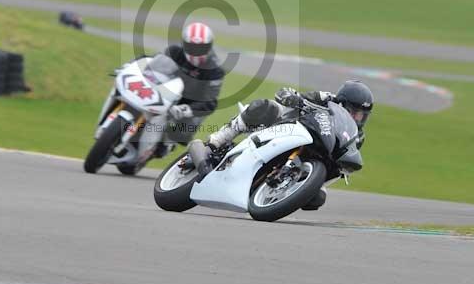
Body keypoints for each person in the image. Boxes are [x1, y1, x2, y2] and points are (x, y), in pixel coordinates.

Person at [187, 81, 374, 209]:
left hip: (313, 159)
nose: (357, 118)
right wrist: (293, 98)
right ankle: (214, 142)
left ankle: (281, 190)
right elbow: (292, 95)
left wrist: (318, 185)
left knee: (318, 199)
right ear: (341, 103)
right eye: (354, 112)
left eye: (362, 115)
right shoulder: (326, 98)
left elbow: (342, 167)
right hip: (285, 129)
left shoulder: (357, 137)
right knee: (264, 107)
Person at [155, 22, 225, 157]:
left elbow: (210, 102)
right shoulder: (174, 52)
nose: (196, 52)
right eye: (191, 47)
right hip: (167, 92)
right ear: (184, 44)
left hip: (191, 103)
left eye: (201, 48)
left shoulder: (214, 69)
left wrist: (186, 110)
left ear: (209, 47)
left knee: (181, 133)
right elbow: (155, 67)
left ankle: (168, 142)